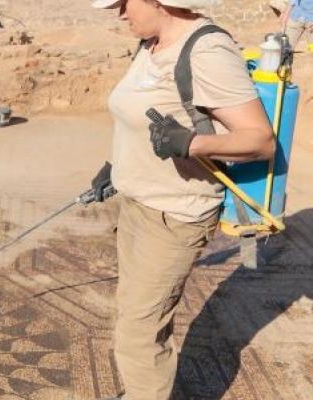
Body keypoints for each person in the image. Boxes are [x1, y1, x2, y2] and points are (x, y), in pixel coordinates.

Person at [88, 0, 275, 399]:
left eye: (124, 2)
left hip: (175, 213)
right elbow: (139, 116)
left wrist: (192, 143)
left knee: (139, 333)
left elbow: (260, 140)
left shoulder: (207, 50)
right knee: (135, 314)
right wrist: (115, 167)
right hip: (138, 203)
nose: (119, 12)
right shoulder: (150, 44)